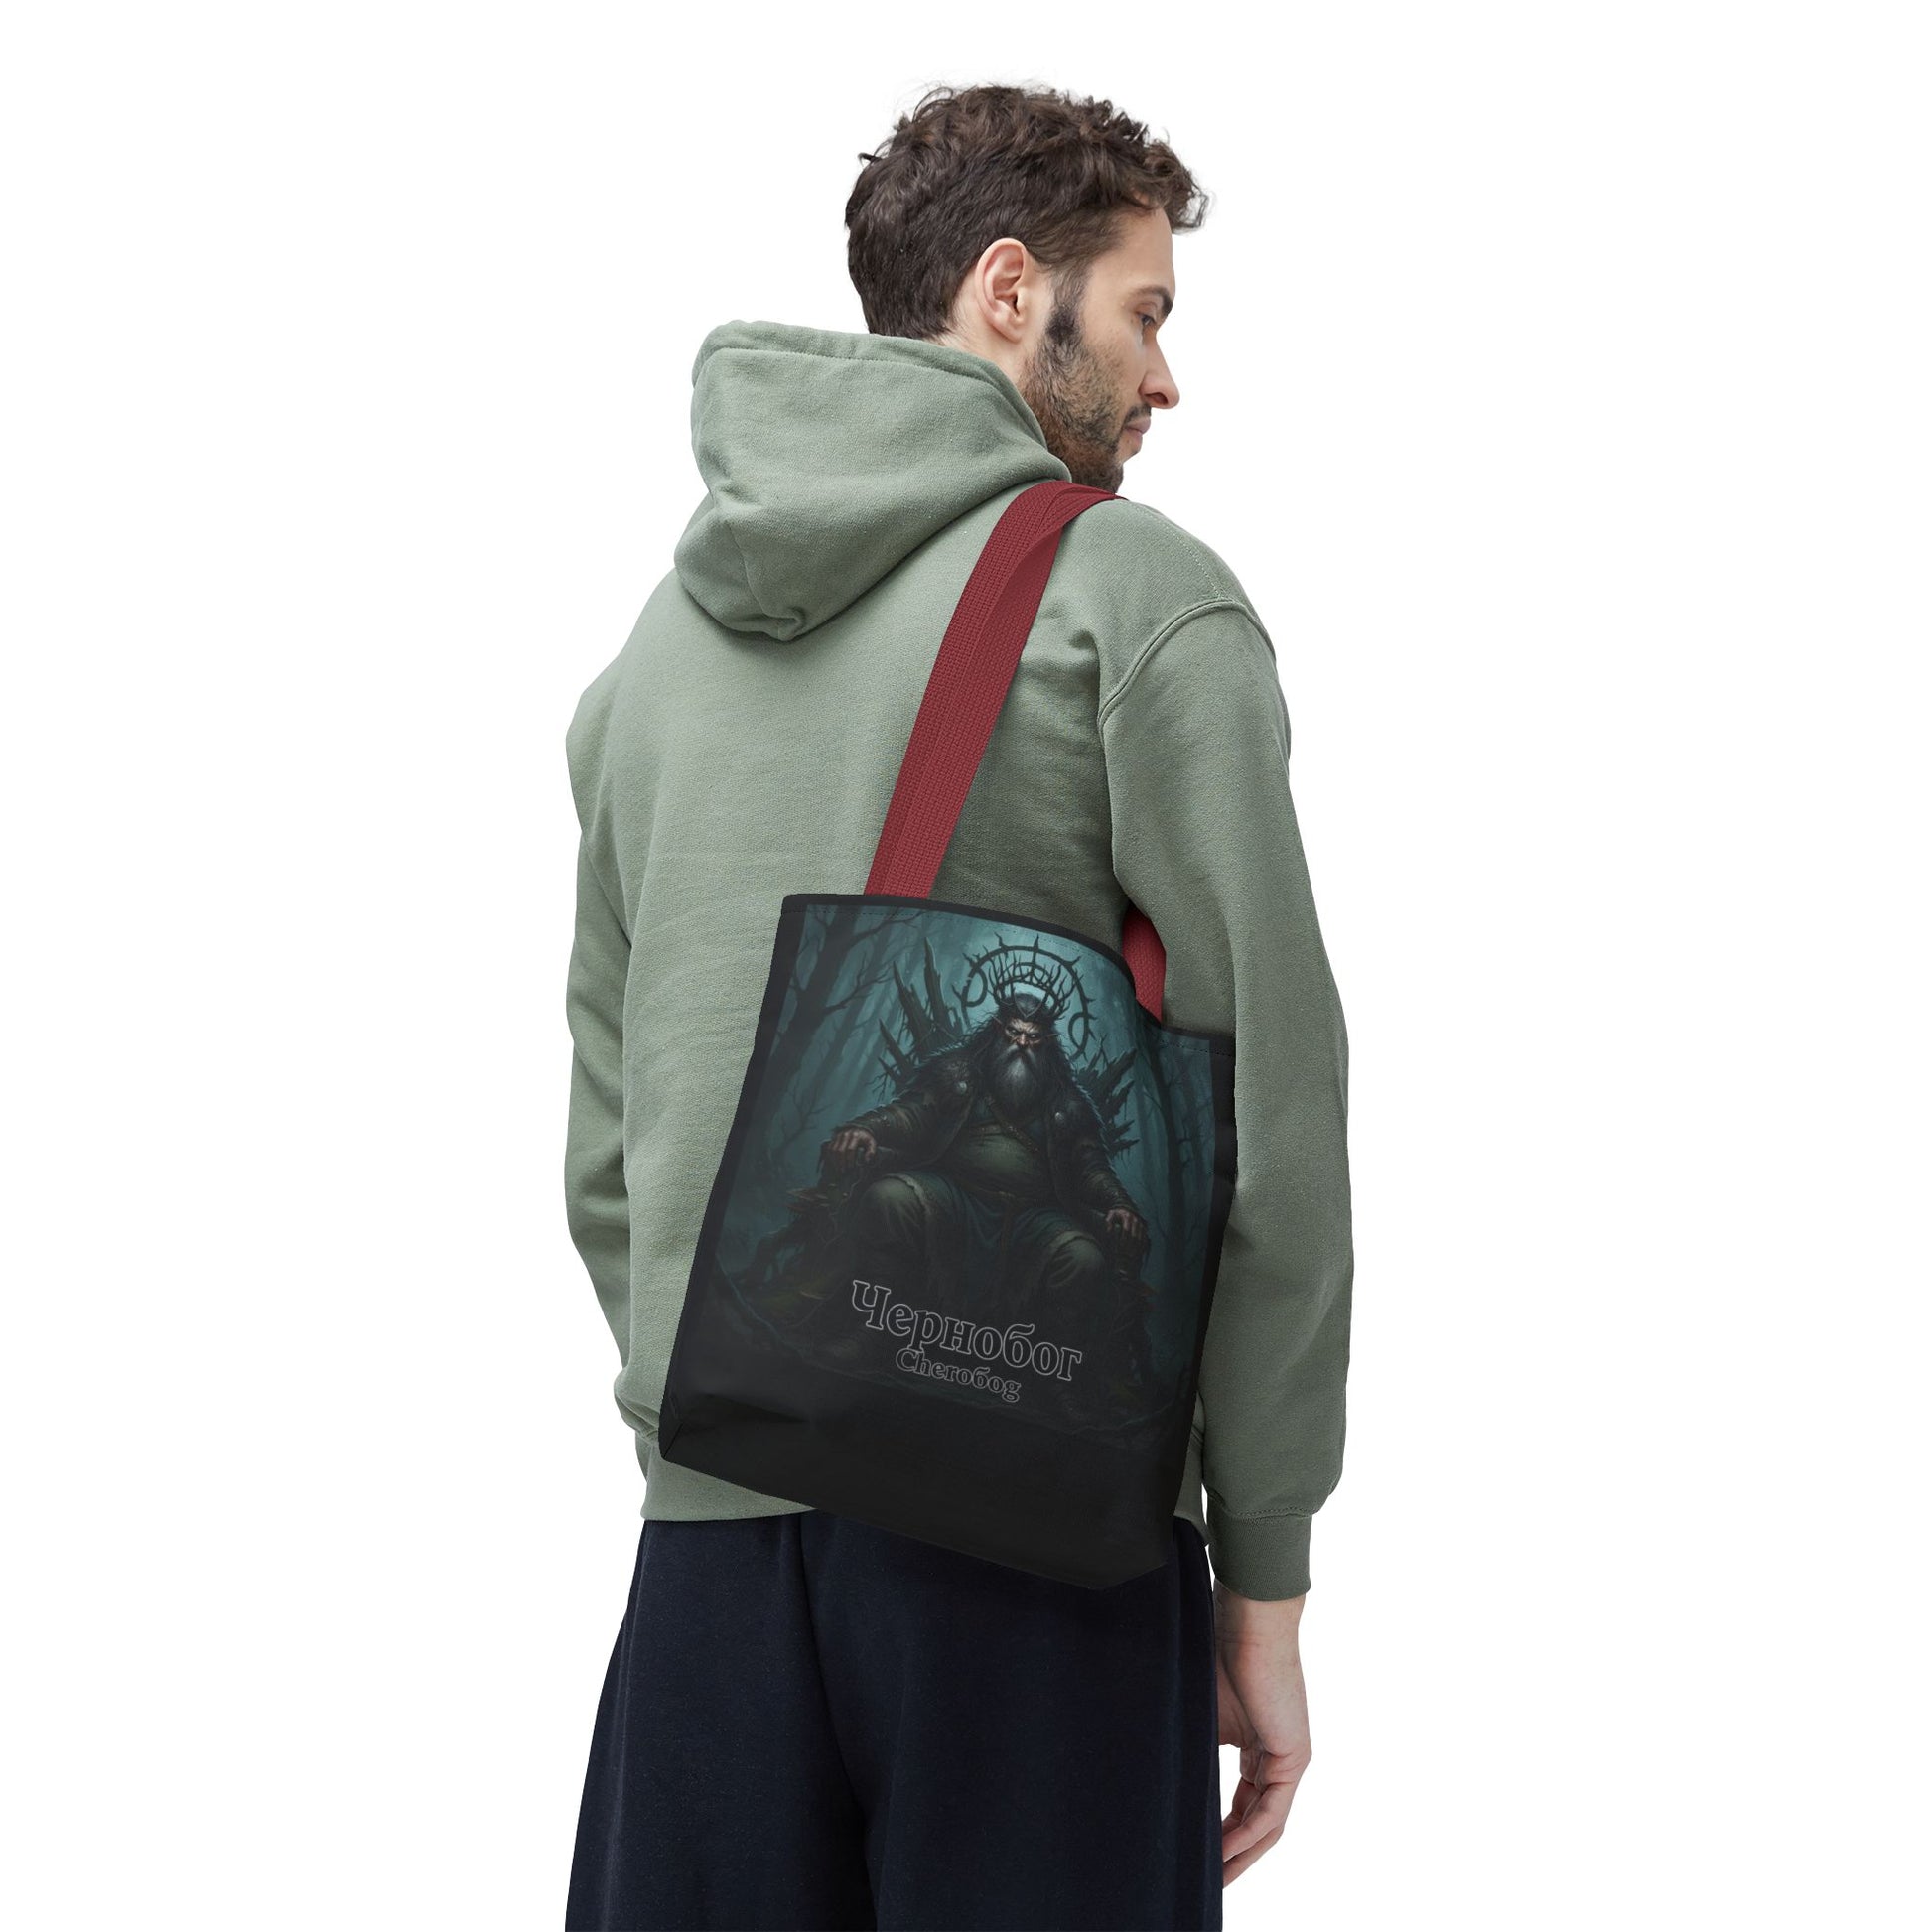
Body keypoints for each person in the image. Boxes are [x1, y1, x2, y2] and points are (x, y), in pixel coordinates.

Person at [561, 81, 1353, 1931]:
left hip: (707, 1560)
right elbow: (1271, 1124)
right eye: (1143, 312)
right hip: (1034, 1553)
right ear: (1010, 290)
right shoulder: (1132, 602)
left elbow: (608, 1135)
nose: (1164, 381)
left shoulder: (651, 658)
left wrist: (730, 1415)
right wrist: (1264, 1570)